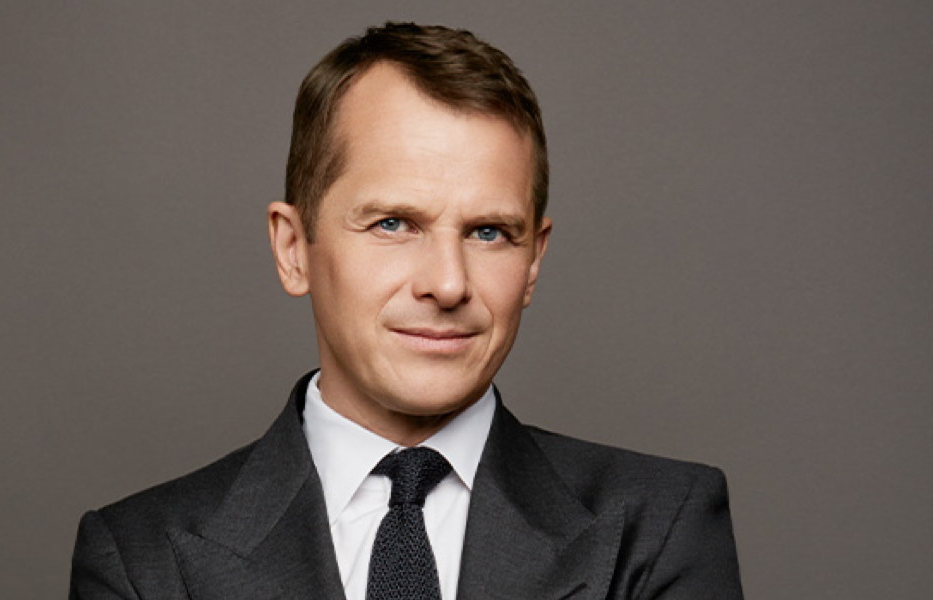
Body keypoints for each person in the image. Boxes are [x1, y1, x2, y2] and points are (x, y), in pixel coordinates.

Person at [69, 22, 744, 600]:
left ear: (534, 261)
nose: (447, 284)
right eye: (393, 223)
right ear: (293, 249)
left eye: (489, 232)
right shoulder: (141, 559)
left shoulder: (659, 528)